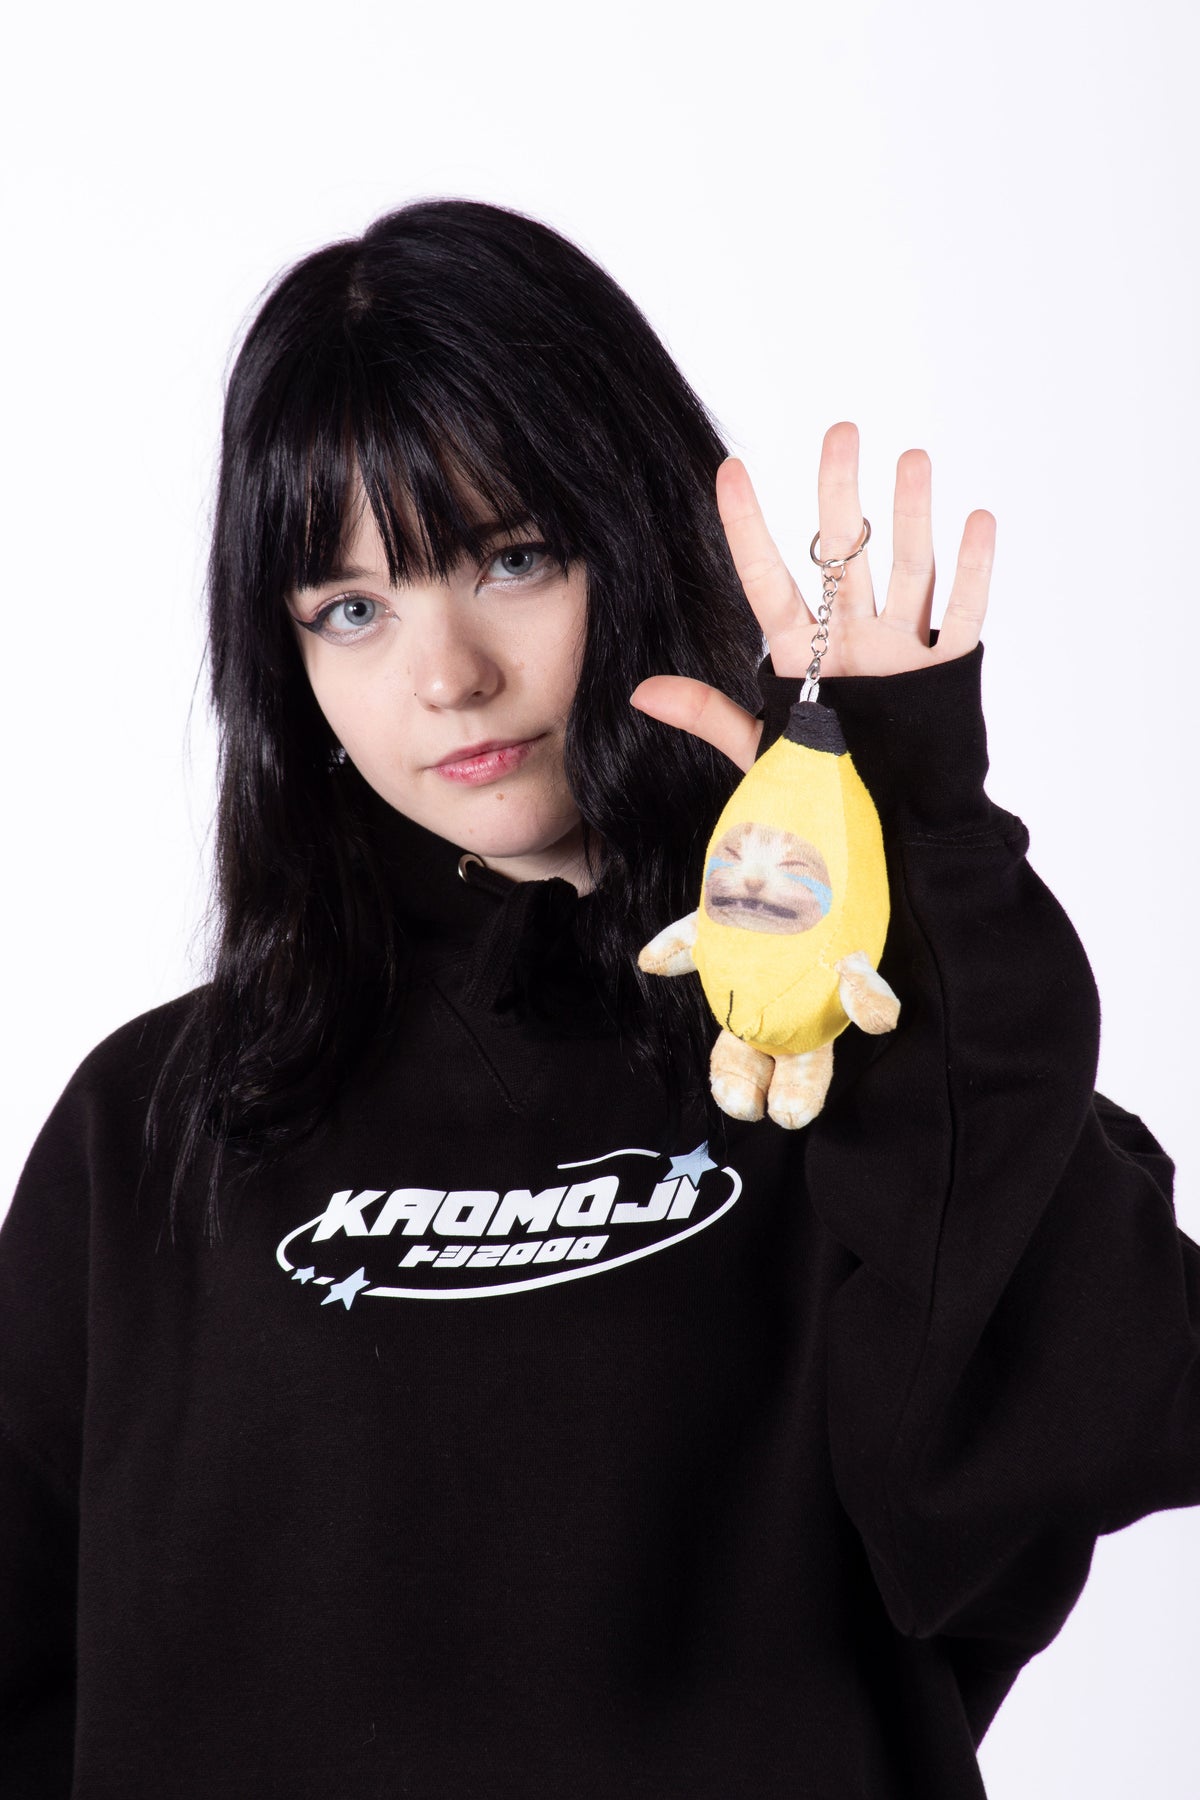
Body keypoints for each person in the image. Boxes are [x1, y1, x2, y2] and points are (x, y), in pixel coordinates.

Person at [1, 196, 1196, 1800]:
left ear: (634, 538)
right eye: (351, 608)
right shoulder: (152, 1126)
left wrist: (908, 845)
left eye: (512, 558)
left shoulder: (830, 1064)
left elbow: (1088, 1431)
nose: (447, 676)